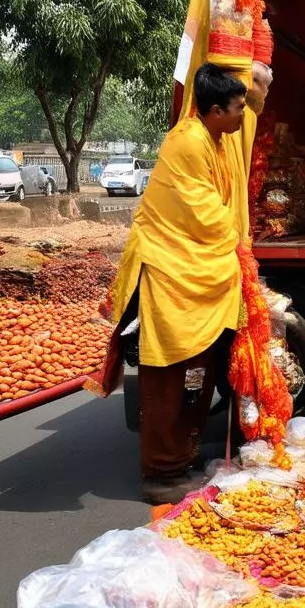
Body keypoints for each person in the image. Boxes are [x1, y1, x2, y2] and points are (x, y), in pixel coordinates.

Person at [108, 63, 249, 504]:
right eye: (239, 107)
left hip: (194, 277)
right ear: (213, 110)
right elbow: (206, 215)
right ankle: (160, 475)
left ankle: (180, 464)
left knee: (195, 380)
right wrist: (238, 240)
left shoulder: (214, 137)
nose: (243, 115)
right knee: (170, 382)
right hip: (172, 279)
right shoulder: (187, 143)